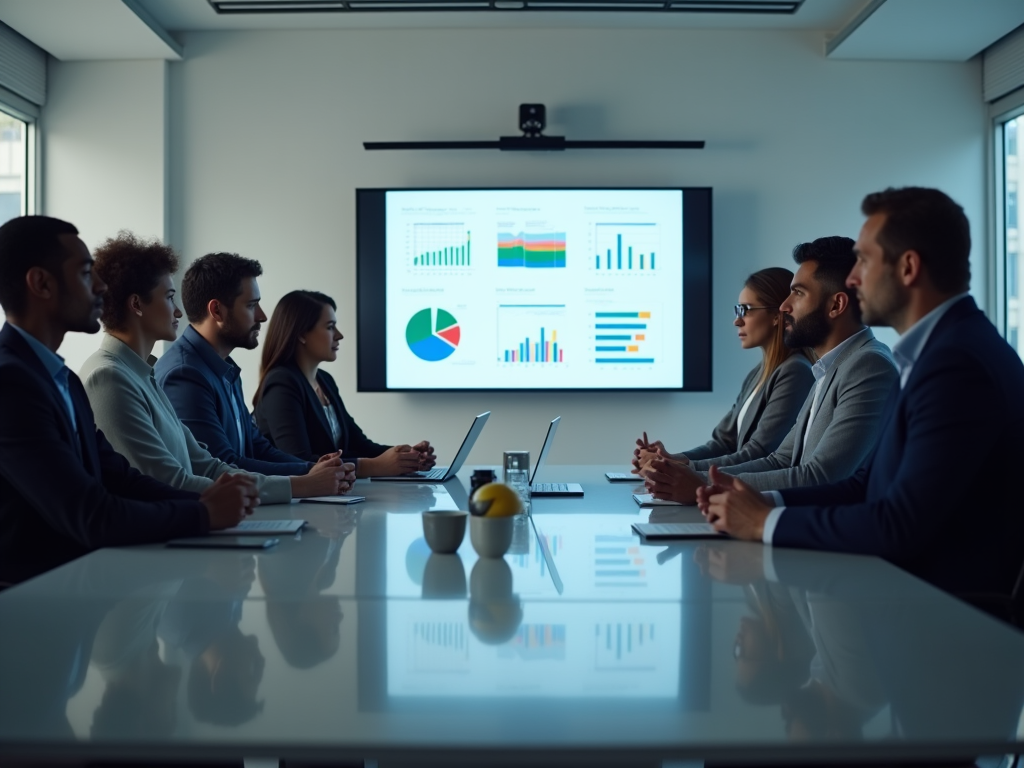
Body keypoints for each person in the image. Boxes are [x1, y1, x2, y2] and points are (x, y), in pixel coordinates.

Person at [698, 187, 1024, 597]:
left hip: (944, 622)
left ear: (908, 268)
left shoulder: (956, 365)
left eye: (865, 261)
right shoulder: (932, 354)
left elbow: (898, 525)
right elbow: (862, 487)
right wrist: (761, 502)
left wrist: (764, 523)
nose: (853, 279)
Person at [0, 217, 257, 586]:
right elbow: (91, 513)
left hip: (72, 592)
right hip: (35, 606)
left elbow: (120, 477)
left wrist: (204, 504)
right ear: (41, 283)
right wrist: (203, 514)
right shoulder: (11, 383)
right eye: (87, 273)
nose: (102, 287)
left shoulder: (64, 379)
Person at [79, 233, 355, 502]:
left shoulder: (142, 375)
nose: (178, 311)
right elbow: (170, 482)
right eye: (170, 297)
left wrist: (304, 480)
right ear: (137, 304)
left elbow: (209, 466)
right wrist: (301, 485)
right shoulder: (110, 377)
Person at [642, 236, 898, 504]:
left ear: (836, 305)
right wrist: (688, 473)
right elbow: (782, 459)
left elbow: (820, 476)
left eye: (798, 293)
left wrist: (702, 484)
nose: (785, 306)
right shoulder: (828, 368)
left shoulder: (869, 365)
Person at [154, 252, 345, 482]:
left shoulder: (225, 368)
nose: (262, 316)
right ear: (217, 311)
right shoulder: (185, 375)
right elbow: (222, 465)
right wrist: (308, 474)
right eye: (252, 305)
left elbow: (256, 446)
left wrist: (312, 467)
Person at [633, 267, 814, 473]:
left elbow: (760, 453)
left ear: (776, 315)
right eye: (738, 310)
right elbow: (723, 443)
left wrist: (682, 467)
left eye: (745, 310)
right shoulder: (758, 373)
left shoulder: (795, 372)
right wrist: (670, 459)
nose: (737, 321)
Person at [253, 289, 436, 476]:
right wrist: (376, 466)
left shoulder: (324, 381)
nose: (339, 335)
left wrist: (407, 457)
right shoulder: (281, 383)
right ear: (301, 334)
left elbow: (359, 445)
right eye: (330, 327)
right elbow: (300, 461)